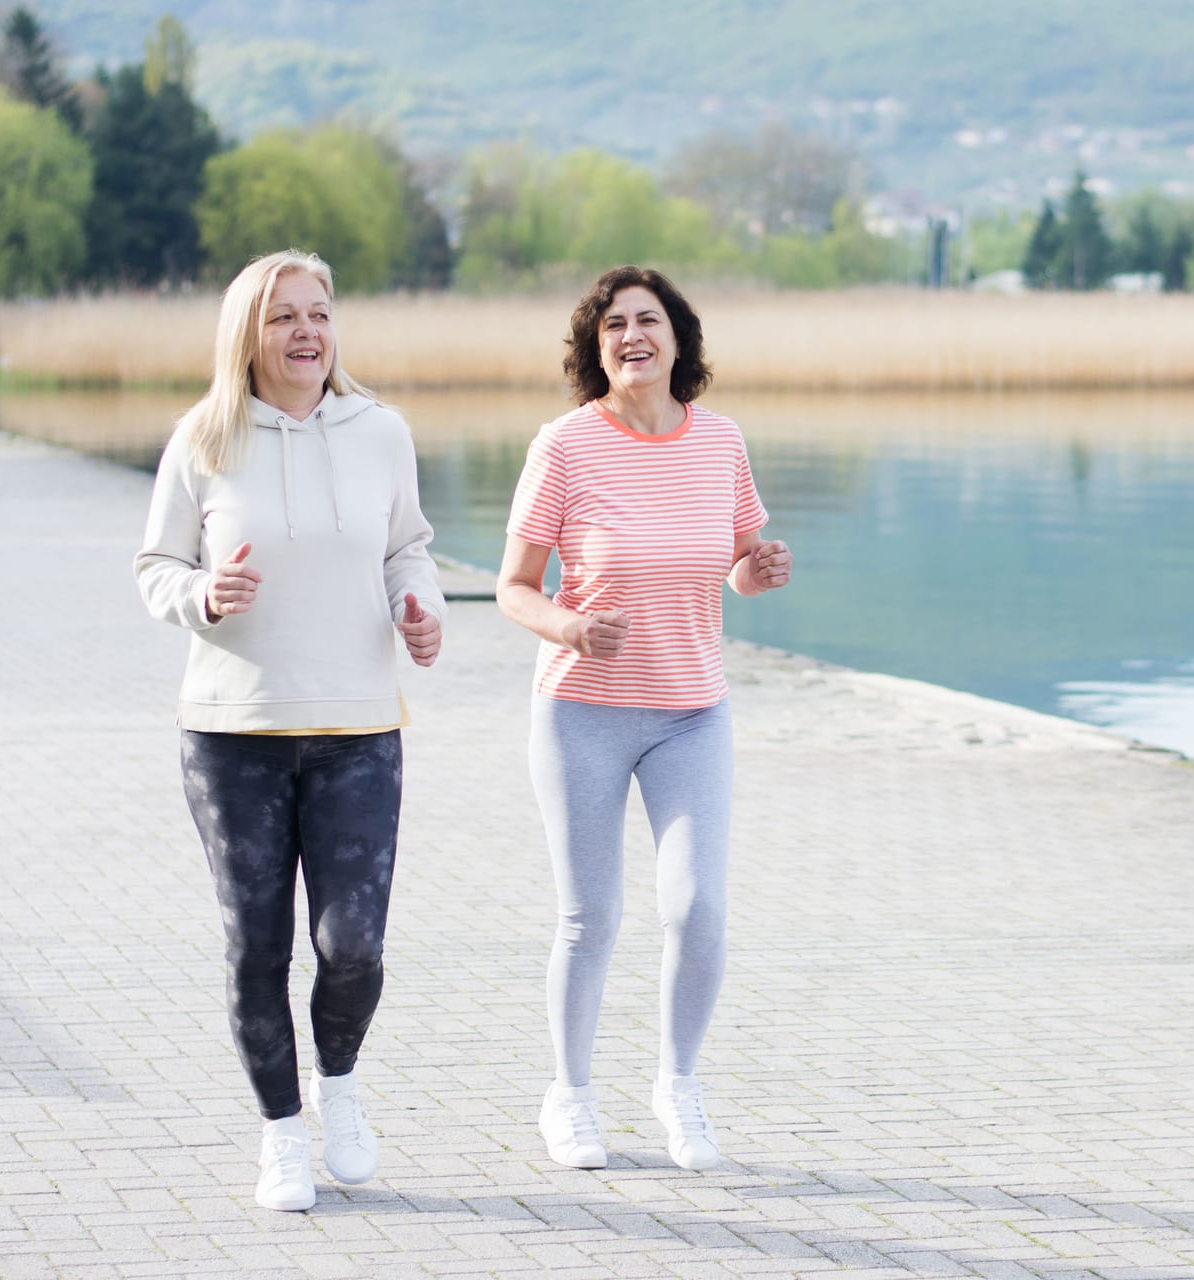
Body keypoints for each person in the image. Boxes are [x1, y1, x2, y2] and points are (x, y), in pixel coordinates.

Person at [134, 249, 445, 1211]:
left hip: (358, 726)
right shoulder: (204, 437)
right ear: (248, 335)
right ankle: (280, 1138)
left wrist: (421, 608)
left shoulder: (380, 431)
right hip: (234, 733)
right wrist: (203, 596)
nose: (307, 332)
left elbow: (409, 548)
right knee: (257, 951)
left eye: (319, 313)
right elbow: (155, 567)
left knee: (353, 947)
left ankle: (338, 1086)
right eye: (283, 317)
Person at [497, 265, 791, 1172]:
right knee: (590, 918)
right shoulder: (564, 447)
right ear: (596, 348)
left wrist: (758, 572)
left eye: (648, 320)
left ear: (678, 340)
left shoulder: (722, 443)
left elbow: (735, 563)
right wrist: (571, 626)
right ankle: (571, 1097)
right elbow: (513, 588)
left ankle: (678, 1084)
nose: (633, 335)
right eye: (614, 324)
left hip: (692, 713)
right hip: (581, 711)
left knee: (698, 908)